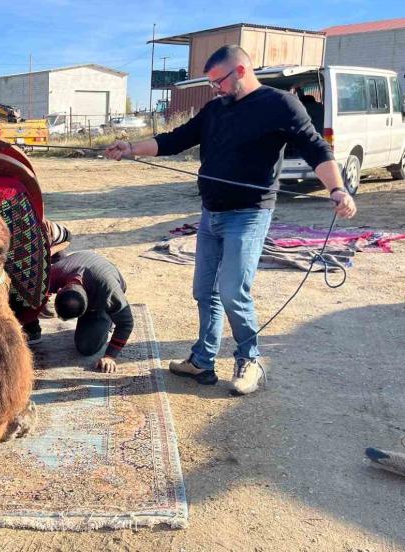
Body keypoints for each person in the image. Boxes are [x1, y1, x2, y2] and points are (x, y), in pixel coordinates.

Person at [104, 45, 357, 395]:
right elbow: (174, 140)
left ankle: (249, 360)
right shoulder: (214, 110)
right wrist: (130, 149)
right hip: (211, 214)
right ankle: (202, 360)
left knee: (233, 291)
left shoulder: (280, 104)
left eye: (217, 81)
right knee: (204, 290)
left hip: (249, 214)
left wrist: (337, 189)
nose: (215, 89)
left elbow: (317, 148)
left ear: (239, 71)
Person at [27, 249, 134, 374]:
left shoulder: (108, 290)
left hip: (103, 288)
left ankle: (107, 319)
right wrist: (29, 321)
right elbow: (30, 299)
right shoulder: (55, 274)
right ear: (60, 289)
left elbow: (127, 323)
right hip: (77, 264)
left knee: (86, 347)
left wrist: (110, 356)